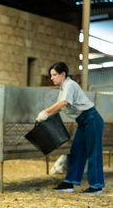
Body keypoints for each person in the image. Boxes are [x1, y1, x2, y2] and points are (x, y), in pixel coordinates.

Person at [36, 62, 104, 194]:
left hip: (91, 119)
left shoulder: (70, 85)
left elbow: (63, 103)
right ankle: (70, 182)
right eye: (51, 75)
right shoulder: (62, 88)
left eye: (54, 75)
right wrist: (43, 118)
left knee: (93, 152)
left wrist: (45, 112)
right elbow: (59, 106)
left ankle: (96, 185)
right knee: (76, 151)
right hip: (82, 121)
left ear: (63, 74)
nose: (52, 78)